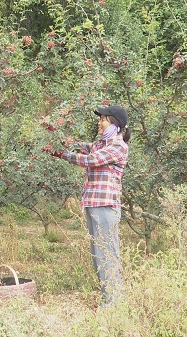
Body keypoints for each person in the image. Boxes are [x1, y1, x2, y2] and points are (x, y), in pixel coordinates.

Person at [45, 105, 131, 308]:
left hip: (105, 205)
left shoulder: (118, 146)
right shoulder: (99, 144)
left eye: (103, 119)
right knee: (99, 255)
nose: (99, 123)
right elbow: (78, 146)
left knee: (106, 254)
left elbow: (90, 161)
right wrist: (53, 133)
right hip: (93, 204)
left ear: (115, 124)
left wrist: (61, 154)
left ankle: (113, 303)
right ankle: (109, 300)